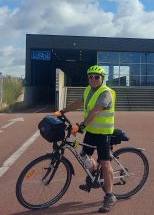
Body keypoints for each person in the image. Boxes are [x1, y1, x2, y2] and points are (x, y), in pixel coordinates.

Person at [55, 65, 116, 213]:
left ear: (102, 79)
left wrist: (81, 126)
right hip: (91, 131)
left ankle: (110, 196)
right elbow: (78, 103)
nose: (93, 79)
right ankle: (95, 174)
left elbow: (95, 111)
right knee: (83, 155)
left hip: (104, 134)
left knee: (105, 163)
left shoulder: (105, 93)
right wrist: (62, 111)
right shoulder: (88, 90)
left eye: (96, 77)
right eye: (90, 77)